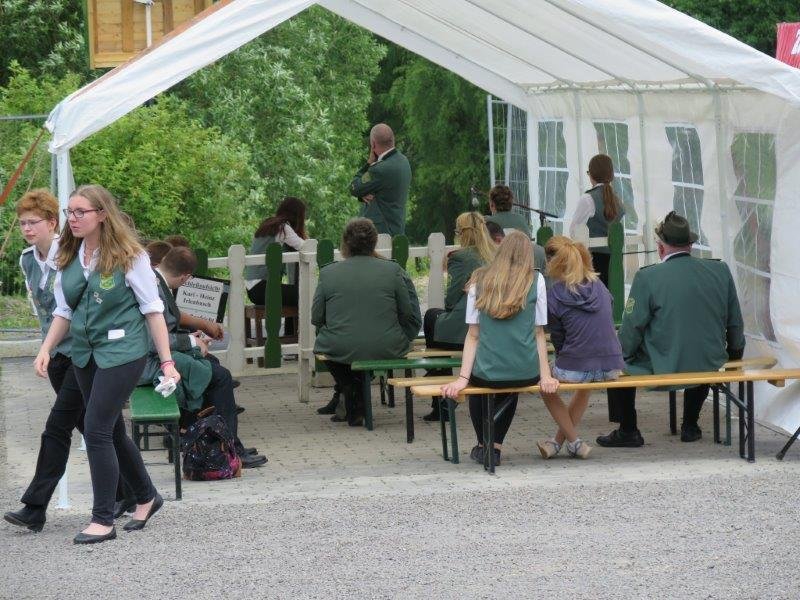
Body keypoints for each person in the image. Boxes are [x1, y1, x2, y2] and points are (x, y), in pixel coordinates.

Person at [33, 184, 180, 545]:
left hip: (124, 352)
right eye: (69, 212)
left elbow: (153, 311)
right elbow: (64, 310)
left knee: (95, 429)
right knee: (111, 430)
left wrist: (167, 361)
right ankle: (147, 496)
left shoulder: (131, 256)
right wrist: (46, 348)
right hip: (85, 353)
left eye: (80, 211)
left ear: (101, 214)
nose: (73, 218)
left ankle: (102, 519)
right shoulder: (68, 254)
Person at [596, 211, 745, 448]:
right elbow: (735, 322)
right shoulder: (720, 270)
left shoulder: (647, 277)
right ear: (690, 244)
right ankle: (690, 425)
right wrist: (735, 356)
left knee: (615, 361)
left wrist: (619, 355)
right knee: (698, 353)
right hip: (709, 360)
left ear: (660, 247)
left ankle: (628, 430)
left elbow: (632, 329)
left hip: (664, 363)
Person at [143, 247, 267, 467]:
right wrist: (191, 343)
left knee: (212, 366)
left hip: (154, 356)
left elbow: (166, 325)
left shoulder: (154, 279)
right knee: (221, 377)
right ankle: (230, 451)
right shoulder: (154, 287)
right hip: (149, 363)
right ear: (185, 278)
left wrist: (194, 335)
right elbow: (152, 339)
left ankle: (213, 442)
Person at [441, 231, 554, 467]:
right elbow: (539, 333)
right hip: (525, 370)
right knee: (510, 387)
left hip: (487, 371)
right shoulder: (537, 281)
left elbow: (473, 335)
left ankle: (484, 444)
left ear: (499, 252)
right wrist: (545, 376)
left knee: (478, 385)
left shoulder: (479, 280)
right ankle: (495, 445)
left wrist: (462, 378)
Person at [312, 218, 421, 425]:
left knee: (325, 344)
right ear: (375, 242)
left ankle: (350, 388)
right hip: (387, 345)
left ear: (345, 242)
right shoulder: (393, 270)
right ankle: (355, 393)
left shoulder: (328, 273)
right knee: (357, 347)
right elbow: (407, 313)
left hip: (340, 346)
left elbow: (316, 317)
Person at [536, 236, 625, 459]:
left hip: (578, 366)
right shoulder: (600, 286)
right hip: (611, 366)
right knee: (585, 383)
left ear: (553, 263)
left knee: (543, 382)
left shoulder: (555, 294)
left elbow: (558, 339)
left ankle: (573, 442)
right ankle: (561, 443)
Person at [421, 212, 494, 421]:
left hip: (467, 330)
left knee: (431, 316)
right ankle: (438, 379)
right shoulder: (497, 254)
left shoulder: (461, 257)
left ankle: (439, 388)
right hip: (492, 328)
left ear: (462, 233)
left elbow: (452, 300)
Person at [245, 196, 306, 337]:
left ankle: (291, 337)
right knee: (305, 293)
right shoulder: (282, 227)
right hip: (263, 288)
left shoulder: (267, 225)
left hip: (252, 289)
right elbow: (304, 246)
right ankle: (293, 337)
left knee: (294, 294)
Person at [568, 154, 625, 286]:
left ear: (591, 174)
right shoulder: (616, 198)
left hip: (594, 260)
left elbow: (574, 231)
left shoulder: (588, 199)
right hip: (615, 258)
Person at [349, 123, 412, 236]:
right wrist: (364, 193)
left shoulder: (379, 170)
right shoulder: (404, 161)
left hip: (379, 234)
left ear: (373, 144)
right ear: (392, 140)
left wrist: (369, 163)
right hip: (397, 230)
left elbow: (354, 187)